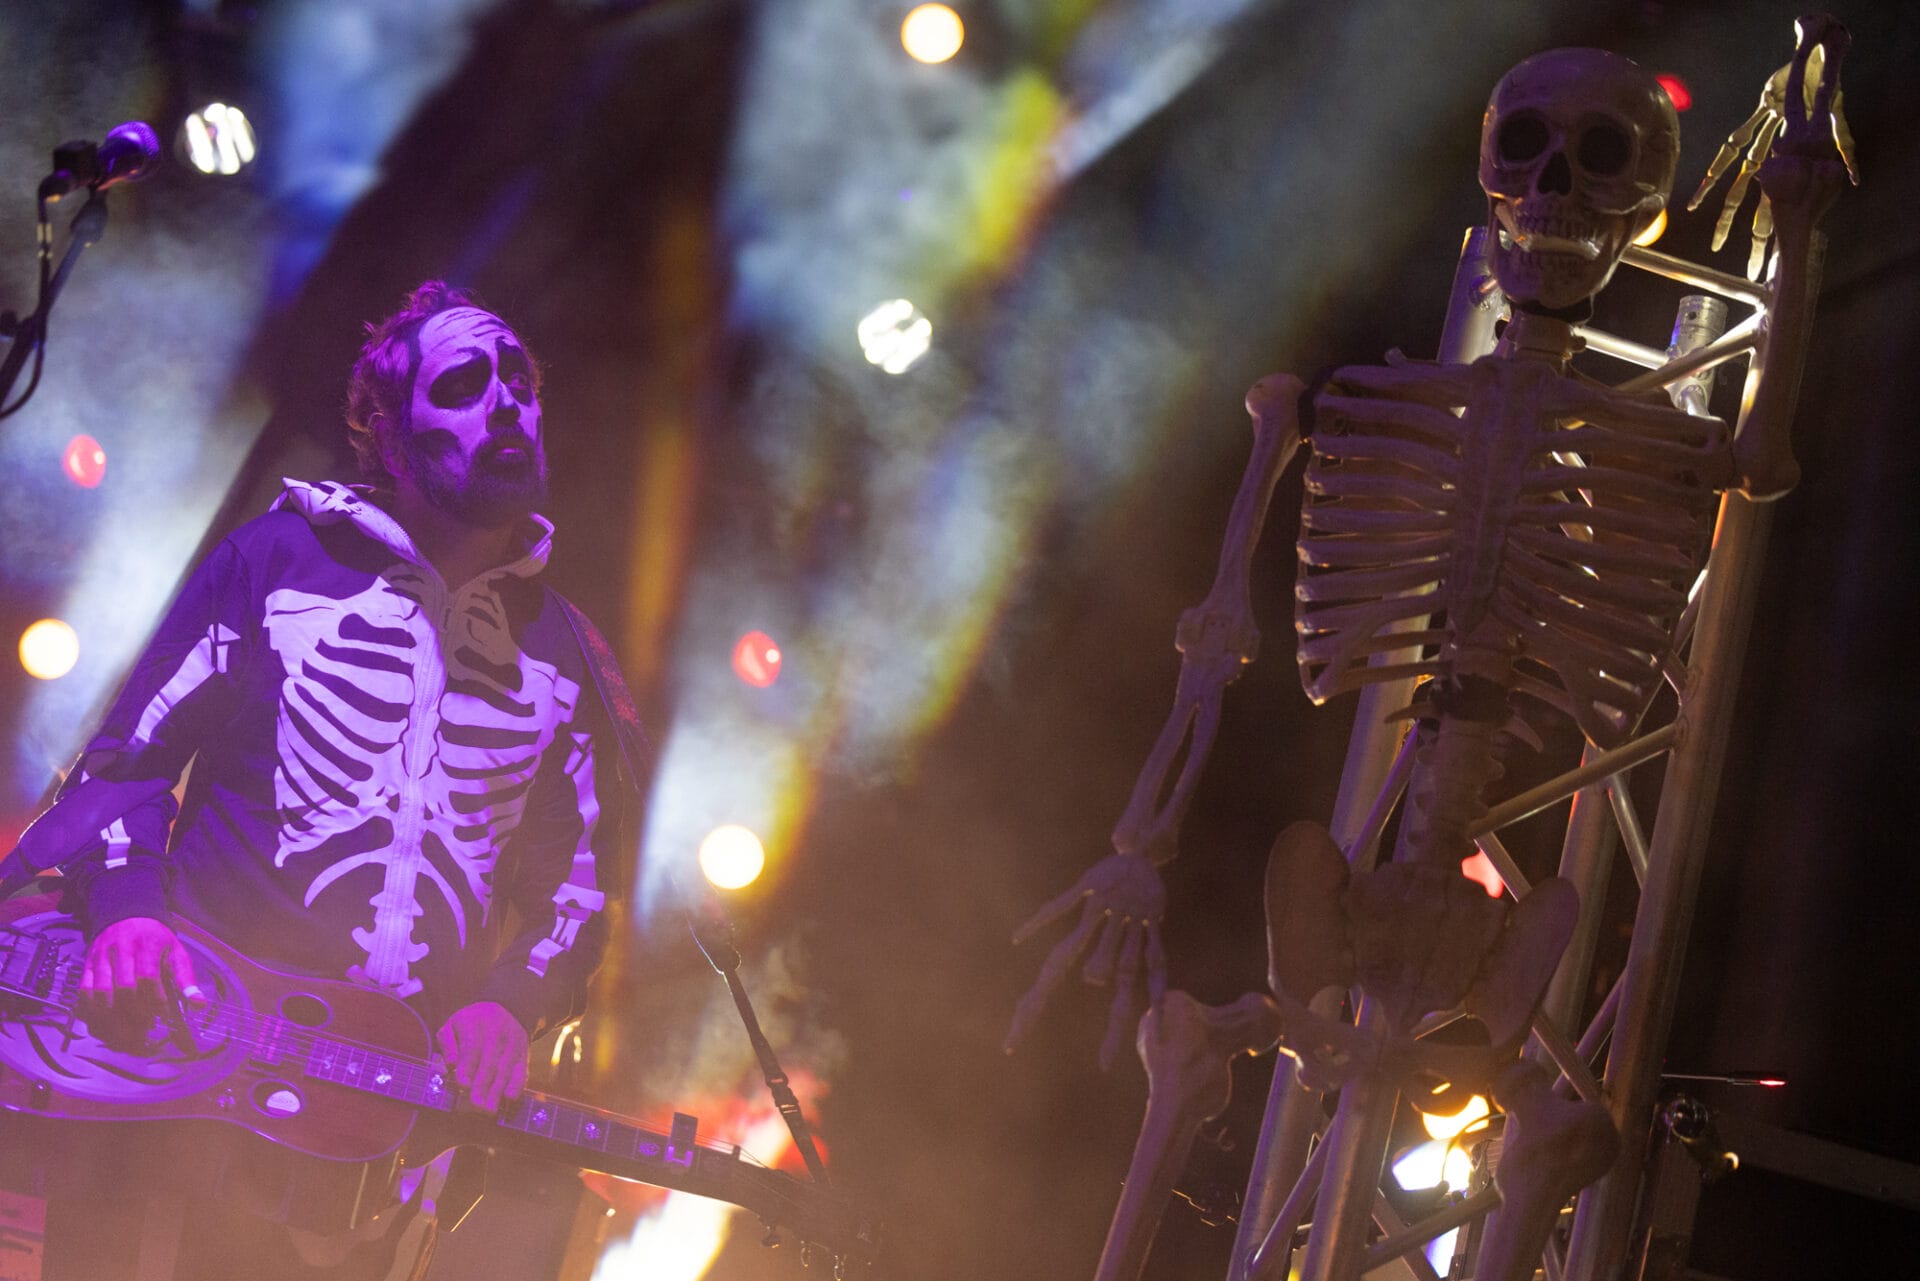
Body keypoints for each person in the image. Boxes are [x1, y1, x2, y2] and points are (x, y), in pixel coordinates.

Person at [2, 281, 634, 1278]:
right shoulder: (278, 560)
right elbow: (130, 765)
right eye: (463, 384)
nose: (506, 402)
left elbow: (579, 888)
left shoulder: (570, 658)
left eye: (519, 381)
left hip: (378, 1141)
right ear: (388, 432)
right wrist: (128, 914)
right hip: (172, 1081)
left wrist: (511, 1005)